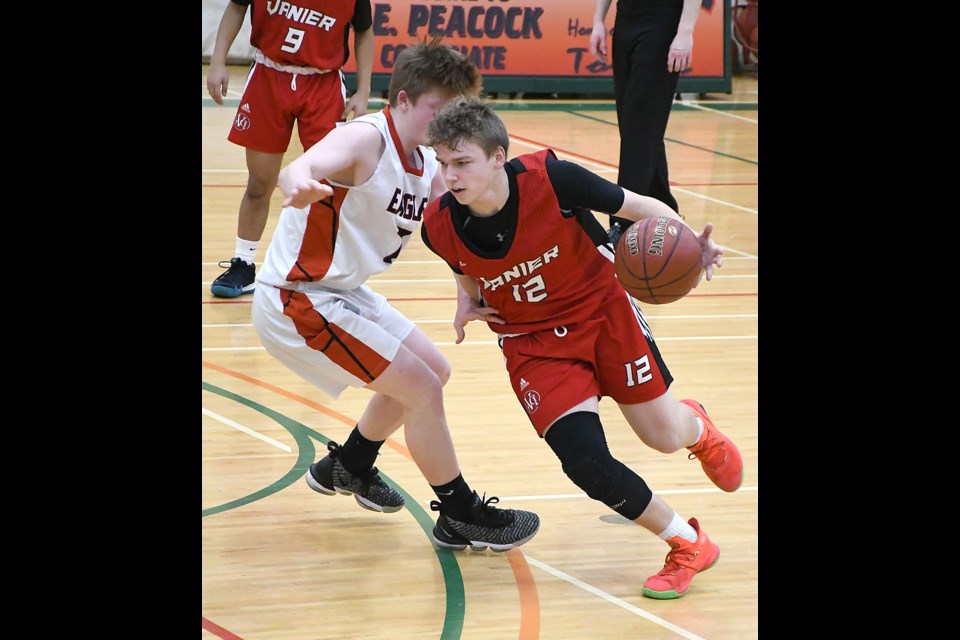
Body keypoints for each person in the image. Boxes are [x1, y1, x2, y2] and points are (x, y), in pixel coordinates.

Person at [420, 96, 742, 598]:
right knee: (585, 463)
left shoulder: (553, 178)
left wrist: (689, 244)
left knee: (661, 435)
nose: (450, 176)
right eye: (442, 164)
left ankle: (695, 427)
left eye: (462, 163)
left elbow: (640, 207)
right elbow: (463, 268)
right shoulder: (438, 224)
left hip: (603, 312)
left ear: (498, 156)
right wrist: (466, 302)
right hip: (532, 344)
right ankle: (688, 542)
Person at [250, 42, 540, 552]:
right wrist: (297, 183)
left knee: (435, 371)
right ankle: (459, 513)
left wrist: (464, 294)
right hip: (296, 299)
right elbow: (307, 164)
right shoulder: (365, 138)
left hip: (340, 291)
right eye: (437, 108)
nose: (446, 120)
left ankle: (350, 464)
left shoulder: (428, 161)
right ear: (403, 100)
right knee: (422, 390)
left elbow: (449, 234)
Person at [206, 0, 375, 298]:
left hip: (322, 83)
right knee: (259, 183)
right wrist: (218, 61)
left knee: (330, 185)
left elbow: (363, 31)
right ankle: (243, 264)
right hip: (269, 76)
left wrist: (363, 90)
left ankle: (327, 270)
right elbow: (236, 6)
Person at [588, 0, 702, 243]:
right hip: (625, 18)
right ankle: (665, 210)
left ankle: (623, 223)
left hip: (662, 21)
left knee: (639, 131)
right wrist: (598, 20)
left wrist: (685, 32)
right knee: (636, 128)